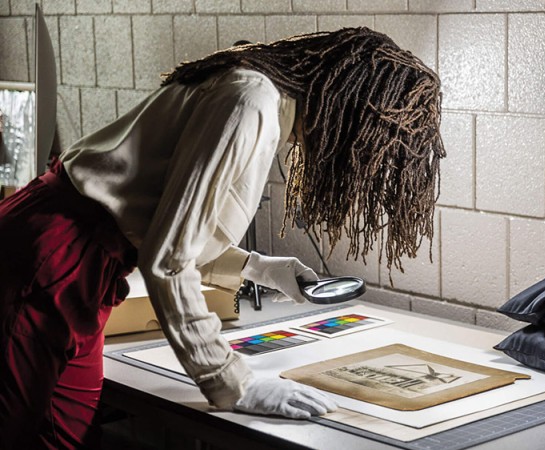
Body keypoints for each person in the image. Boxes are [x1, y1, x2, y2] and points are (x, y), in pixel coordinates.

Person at [0, 27, 445, 449]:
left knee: (64, 435)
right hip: (48, 256)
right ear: (346, 107)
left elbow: (167, 226)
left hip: (79, 256)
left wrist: (258, 268)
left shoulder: (261, 100)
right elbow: (167, 259)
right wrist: (233, 381)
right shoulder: (249, 102)